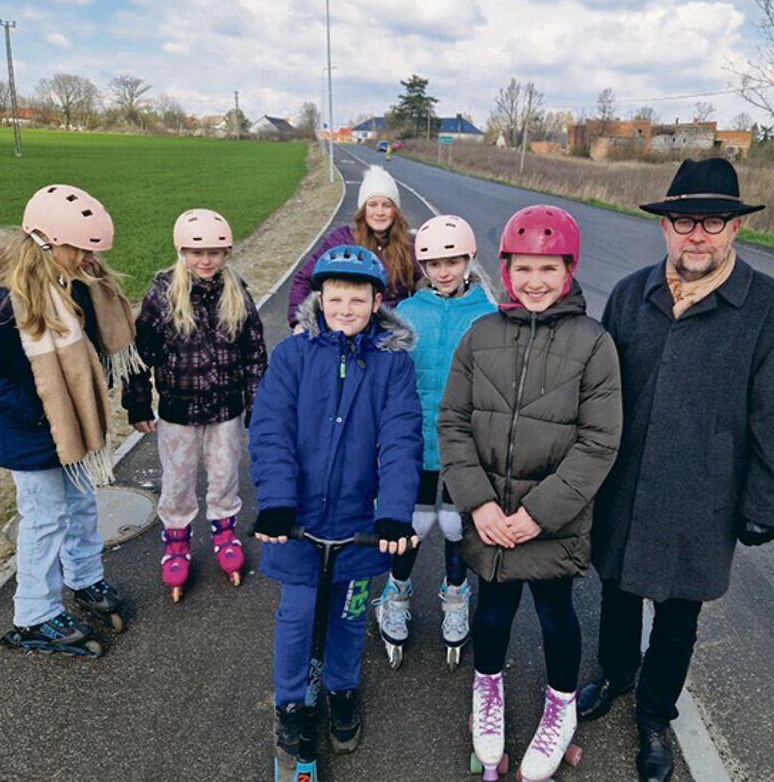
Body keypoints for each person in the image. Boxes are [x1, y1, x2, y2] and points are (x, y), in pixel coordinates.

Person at [578, 158, 774, 782]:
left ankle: (655, 714)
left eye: (712, 221)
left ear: (735, 229)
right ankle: (616, 675)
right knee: (618, 590)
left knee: (679, 615)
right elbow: (597, 393)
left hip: (704, 493)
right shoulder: (630, 294)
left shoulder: (771, 309)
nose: (695, 235)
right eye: (683, 221)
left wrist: (767, 501)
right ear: (665, 228)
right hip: (625, 481)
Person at [438, 206, 622, 782]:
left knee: (555, 616)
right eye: (523, 268)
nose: (534, 281)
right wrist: (480, 503)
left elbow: (598, 443)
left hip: (553, 522)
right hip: (489, 518)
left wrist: (538, 515)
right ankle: (486, 692)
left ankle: (560, 705)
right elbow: (453, 423)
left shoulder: (593, 345)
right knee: (491, 614)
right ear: (506, 269)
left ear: (569, 270)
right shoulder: (481, 335)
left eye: (548, 267)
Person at [249, 244, 423, 772]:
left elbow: (401, 438)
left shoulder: (392, 365)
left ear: (376, 302)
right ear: (319, 299)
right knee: (298, 615)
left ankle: (342, 691)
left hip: (357, 524)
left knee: (349, 617)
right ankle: (289, 703)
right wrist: (277, 503)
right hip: (299, 522)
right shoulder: (293, 356)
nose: (346, 309)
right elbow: (270, 430)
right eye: (336, 298)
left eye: (358, 299)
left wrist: (393, 514)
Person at [0, 184, 142, 656]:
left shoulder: (76, 285)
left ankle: (84, 579)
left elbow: (93, 349)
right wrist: (39, 408)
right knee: (44, 520)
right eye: (75, 247)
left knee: (80, 508)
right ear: (42, 240)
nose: (83, 258)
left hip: (75, 430)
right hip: (31, 436)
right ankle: (33, 615)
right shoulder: (0, 300)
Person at [122, 209, 267, 602]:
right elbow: (139, 354)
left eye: (216, 252)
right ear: (181, 250)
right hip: (178, 411)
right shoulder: (163, 295)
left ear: (227, 252)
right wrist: (137, 403)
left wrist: (257, 404)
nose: (206, 260)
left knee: (224, 474)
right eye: (196, 251)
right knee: (179, 478)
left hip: (226, 408)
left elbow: (254, 353)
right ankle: (177, 540)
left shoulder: (236, 292)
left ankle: (224, 530)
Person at [375, 215, 497, 671]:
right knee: (412, 523)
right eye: (434, 263)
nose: (443, 271)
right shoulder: (407, 312)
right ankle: (397, 590)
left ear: (468, 260)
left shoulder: (488, 316)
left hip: (467, 445)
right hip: (415, 442)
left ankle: (455, 593)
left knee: (455, 525)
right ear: (422, 264)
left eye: (452, 261)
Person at [287, 165, 421, 327]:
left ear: (395, 210)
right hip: (347, 326)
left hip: (391, 333)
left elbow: (424, 289)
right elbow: (303, 279)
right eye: (372, 204)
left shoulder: (410, 245)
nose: (380, 212)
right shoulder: (342, 240)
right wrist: (299, 322)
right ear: (362, 209)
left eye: (386, 205)